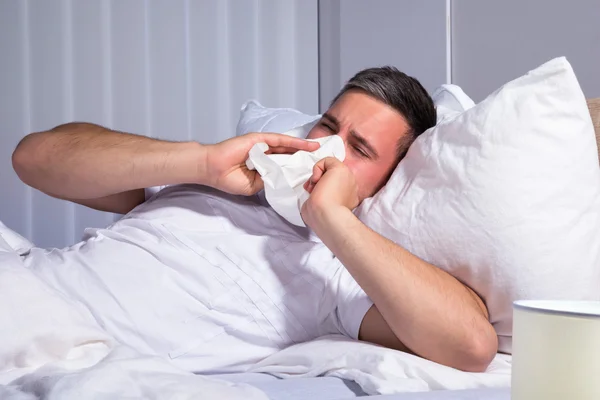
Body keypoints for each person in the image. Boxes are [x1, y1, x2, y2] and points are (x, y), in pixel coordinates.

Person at [11, 67, 497, 373]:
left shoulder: (335, 275)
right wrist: (201, 162)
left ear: (383, 184)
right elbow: (34, 158)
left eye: (360, 149)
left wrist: (332, 217)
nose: (328, 147)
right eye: (328, 126)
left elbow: (473, 346)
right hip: (24, 281)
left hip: (53, 342)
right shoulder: (213, 178)